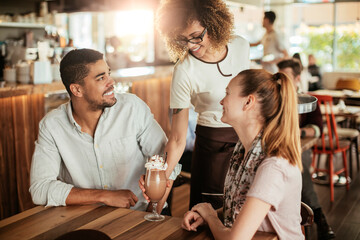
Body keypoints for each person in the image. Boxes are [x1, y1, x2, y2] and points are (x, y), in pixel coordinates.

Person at [29, 48, 179, 214]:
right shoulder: (51, 126)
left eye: (108, 73)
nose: (111, 81)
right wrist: (104, 196)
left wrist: (152, 213)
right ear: (77, 90)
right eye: (101, 78)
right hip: (86, 221)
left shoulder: (132, 108)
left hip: (139, 214)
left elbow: (168, 162)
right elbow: (40, 189)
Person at [140, 0, 250, 210]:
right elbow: (178, 138)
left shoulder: (241, 46)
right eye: (183, 40)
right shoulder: (184, 71)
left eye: (196, 36)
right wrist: (160, 187)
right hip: (211, 146)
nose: (191, 46)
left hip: (248, 141)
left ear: (214, 23)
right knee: (208, 214)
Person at [182, 69, 303, 239]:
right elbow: (241, 207)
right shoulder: (243, 149)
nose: (222, 101)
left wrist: (210, 216)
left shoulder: (273, 166)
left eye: (227, 93)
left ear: (248, 102)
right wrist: (208, 216)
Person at [277, 59, 335, 240]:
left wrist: (298, 131)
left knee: (298, 167)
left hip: (298, 148)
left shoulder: (307, 100)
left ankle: (318, 217)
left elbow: (317, 128)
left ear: (297, 79)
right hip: (275, 148)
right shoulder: (273, 99)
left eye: (286, 77)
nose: (282, 82)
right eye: (279, 78)